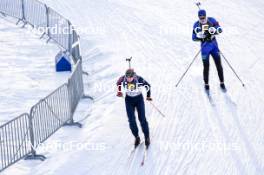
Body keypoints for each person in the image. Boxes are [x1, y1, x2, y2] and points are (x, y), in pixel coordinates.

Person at [116, 68, 152, 148]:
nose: (129, 79)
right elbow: (118, 83)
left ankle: (147, 137)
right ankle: (136, 137)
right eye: (127, 77)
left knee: (142, 118)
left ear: (133, 76)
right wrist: (119, 91)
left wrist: (148, 96)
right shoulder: (123, 79)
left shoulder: (138, 79)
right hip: (129, 100)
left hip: (138, 99)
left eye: (130, 77)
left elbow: (147, 86)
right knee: (131, 120)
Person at [192, 9, 226, 90]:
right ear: (198, 17)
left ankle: (222, 82)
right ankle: (206, 84)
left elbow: (219, 29)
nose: (202, 20)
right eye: (201, 18)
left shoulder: (211, 20)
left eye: (204, 17)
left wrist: (214, 31)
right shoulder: (196, 25)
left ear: (206, 16)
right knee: (206, 66)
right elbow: (193, 38)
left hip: (214, 46)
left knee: (218, 64)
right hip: (204, 48)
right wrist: (199, 36)